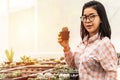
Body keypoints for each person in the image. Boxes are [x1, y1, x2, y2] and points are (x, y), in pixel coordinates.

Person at [58, 1, 118, 80]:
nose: (87, 20)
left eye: (92, 16)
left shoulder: (104, 44)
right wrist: (66, 47)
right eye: (84, 17)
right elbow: (73, 64)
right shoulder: (83, 43)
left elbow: (112, 74)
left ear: (101, 19)